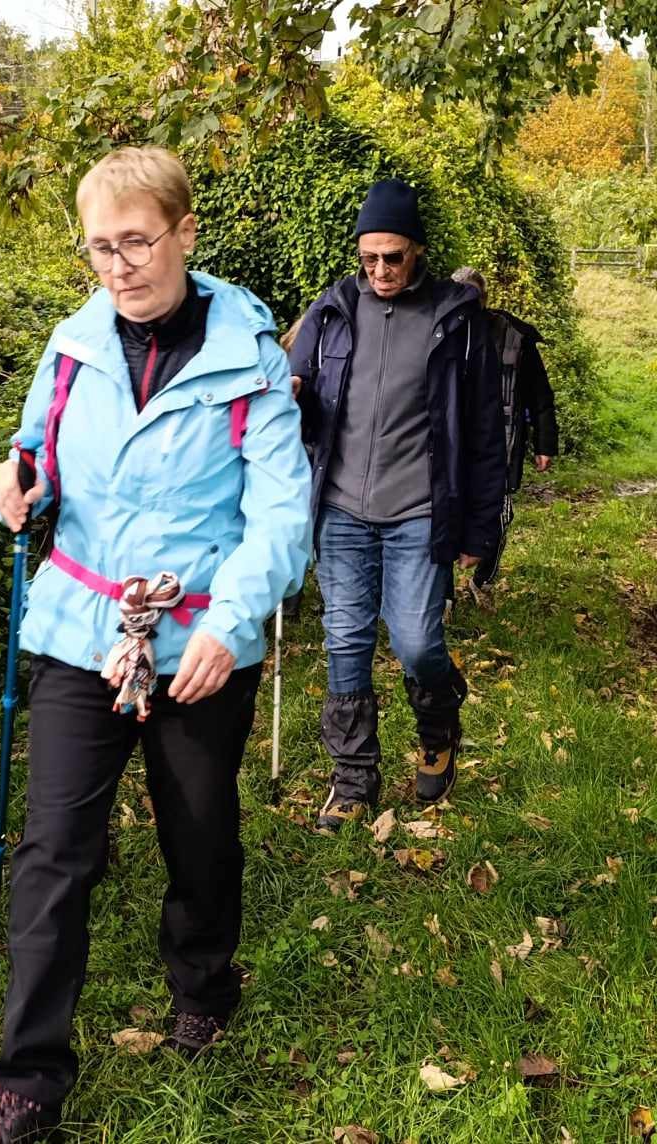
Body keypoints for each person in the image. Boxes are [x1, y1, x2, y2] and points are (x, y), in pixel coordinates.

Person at [0, 146, 309, 1144]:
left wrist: (231, 623)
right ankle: (29, 1083)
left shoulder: (251, 356)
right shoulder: (72, 346)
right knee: (53, 851)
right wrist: (16, 479)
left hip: (202, 635)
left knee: (197, 831)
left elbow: (282, 515)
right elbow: (34, 445)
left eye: (136, 241)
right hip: (83, 632)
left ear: (185, 232)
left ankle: (203, 985)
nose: (118, 266)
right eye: (99, 247)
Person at [289, 179, 505, 833]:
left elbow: (486, 439)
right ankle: (353, 779)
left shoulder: (459, 321)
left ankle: (438, 723)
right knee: (346, 642)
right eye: (370, 258)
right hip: (343, 512)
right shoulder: (330, 314)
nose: (380, 270)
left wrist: (480, 532)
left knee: (415, 642)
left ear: (419, 251)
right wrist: (290, 397)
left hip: (418, 512)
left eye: (394, 257)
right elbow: (288, 403)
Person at [452, 266, 558, 591]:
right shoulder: (436, 332)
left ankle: (482, 580)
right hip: (451, 444)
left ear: (485, 299)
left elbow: (539, 395)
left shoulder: (514, 338)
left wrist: (545, 444)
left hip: (501, 444)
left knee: (500, 514)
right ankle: (442, 594)